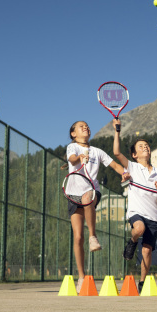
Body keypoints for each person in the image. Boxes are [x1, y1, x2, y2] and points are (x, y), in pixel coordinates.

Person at [65, 120, 129, 293]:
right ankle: (81, 276)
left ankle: (93, 236)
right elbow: (72, 159)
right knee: (78, 237)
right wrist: (80, 158)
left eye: (87, 125)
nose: (86, 127)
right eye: (81, 126)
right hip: (72, 194)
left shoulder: (97, 152)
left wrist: (125, 173)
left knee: (88, 197)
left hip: (92, 191)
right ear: (73, 134)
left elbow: (115, 165)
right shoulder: (72, 148)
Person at [112, 119, 157, 293]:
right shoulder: (133, 168)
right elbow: (116, 152)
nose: (145, 147)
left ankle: (142, 282)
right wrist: (117, 130)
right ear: (134, 155)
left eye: (147, 145)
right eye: (141, 146)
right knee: (138, 228)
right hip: (137, 212)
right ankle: (132, 242)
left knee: (147, 252)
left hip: (155, 217)